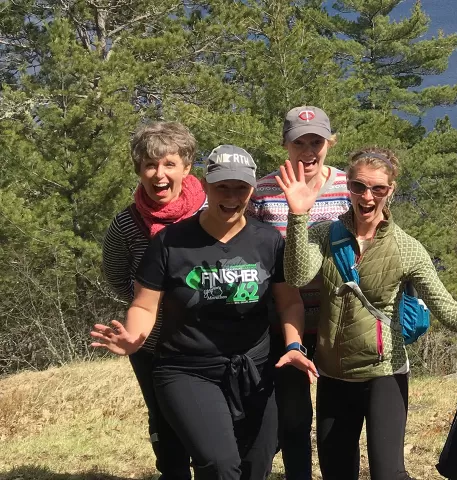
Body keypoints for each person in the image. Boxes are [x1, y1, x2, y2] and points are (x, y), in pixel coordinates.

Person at [277, 147, 457, 480]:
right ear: (348, 186)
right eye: (358, 187)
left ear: (390, 191)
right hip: (334, 376)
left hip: (385, 373)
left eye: (378, 188)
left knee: (388, 473)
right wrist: (298, 215)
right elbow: (295, 276)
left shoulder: (406, 248)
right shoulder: (324, 235)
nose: (367, 196)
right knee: (337, 472)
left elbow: (447, 310)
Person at [92, 145, 317, 480]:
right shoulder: (170, 242)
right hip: (188, 370)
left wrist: (293, 345)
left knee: (258, 464)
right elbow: (143, 304)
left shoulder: (268, 240)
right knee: (219, 465)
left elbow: (289, 302)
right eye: (221, 186)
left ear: (252, 189)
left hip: (253, 368)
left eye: (240, 187)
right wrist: (135, 337)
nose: (231, 196)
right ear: (206, 185)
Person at [246, 105, 350, 480]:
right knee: (294, 416)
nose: (308, 151)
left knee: (335, 418)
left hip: (336, 322)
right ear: (285, 145)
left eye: (316, 142)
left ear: (329, 143)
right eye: (300, 143)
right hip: (282, 322)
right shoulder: (263, 191)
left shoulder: (347, 187)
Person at [101, 121, 205, 480]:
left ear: (187, 168)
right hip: (151, 342)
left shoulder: (211, 214)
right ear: (139, 170)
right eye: (150, 164)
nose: (159, 174)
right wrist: (145, 310)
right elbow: (117, 276)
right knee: (164, 417)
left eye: (169, 164)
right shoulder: (126, 225)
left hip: (211, 340)